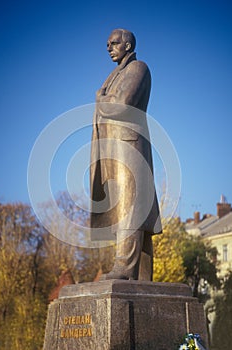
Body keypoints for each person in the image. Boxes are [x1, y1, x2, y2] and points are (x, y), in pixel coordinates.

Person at [90, 29, 162, 280]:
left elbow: (121, 104)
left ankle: (124, 265)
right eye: (107, 44)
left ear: (128, 45)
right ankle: (142, 276)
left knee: (130, 206)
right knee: (132, 206)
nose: (109, 48)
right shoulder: (116, 73)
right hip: (114, 147)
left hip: (129, 145)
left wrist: (100, 98)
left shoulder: (138, 68)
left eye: (114, 43)